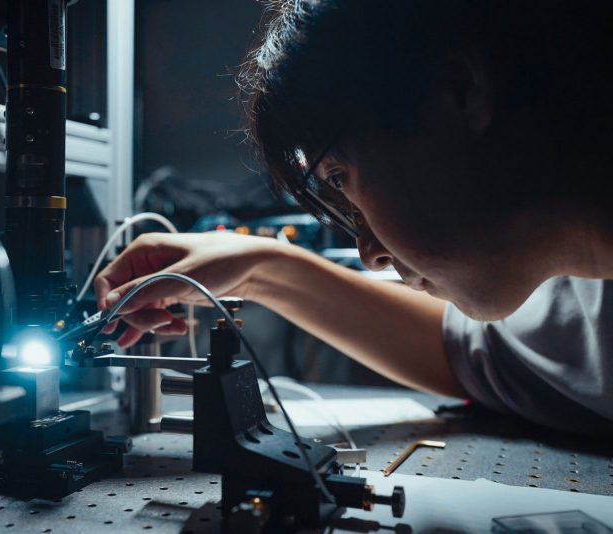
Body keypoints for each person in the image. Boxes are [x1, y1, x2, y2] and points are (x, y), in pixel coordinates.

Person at [95, 0, 613, 436]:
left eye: (339, 176)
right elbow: (467, 351)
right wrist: (261, 267)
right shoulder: (588, 301)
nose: (371, 253)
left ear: (458, 91)